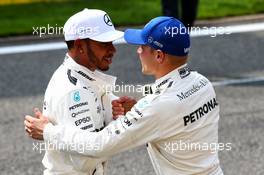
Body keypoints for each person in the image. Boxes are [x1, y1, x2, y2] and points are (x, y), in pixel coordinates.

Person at [25, 16, 224, 175]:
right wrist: (138, 111)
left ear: (159, 55)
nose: (137, 51)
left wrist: (48, 132)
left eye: (142, 47)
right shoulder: (202, 83)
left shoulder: (157, 107)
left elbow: (100, 145)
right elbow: (173, 117)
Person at [24, 8, 135, 175]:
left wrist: (121, 109)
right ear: (80, 45)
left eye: (111, 42)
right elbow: (86, 160)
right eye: (104, 44)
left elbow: (112, 108)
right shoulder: (74, 92)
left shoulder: (86, 76)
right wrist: (118, 119)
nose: (113, 50)